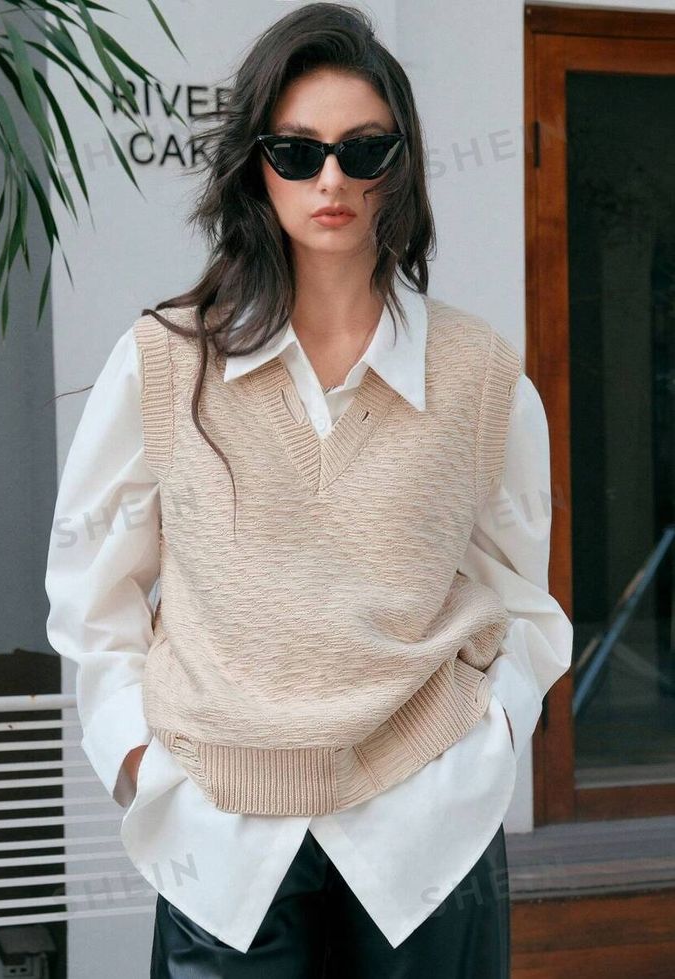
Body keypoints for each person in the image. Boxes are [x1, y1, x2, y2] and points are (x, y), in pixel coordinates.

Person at [45, 3, 573, 977]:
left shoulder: (480, 375)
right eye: (297, 150)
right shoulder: (163, 361)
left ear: (398, 166)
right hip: (224, 838)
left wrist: (495, 736)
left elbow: (521, 596)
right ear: (258, 164)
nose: (330, 178)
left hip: (429, 828)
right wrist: (133, 757)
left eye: (361, 149)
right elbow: (93, 589)